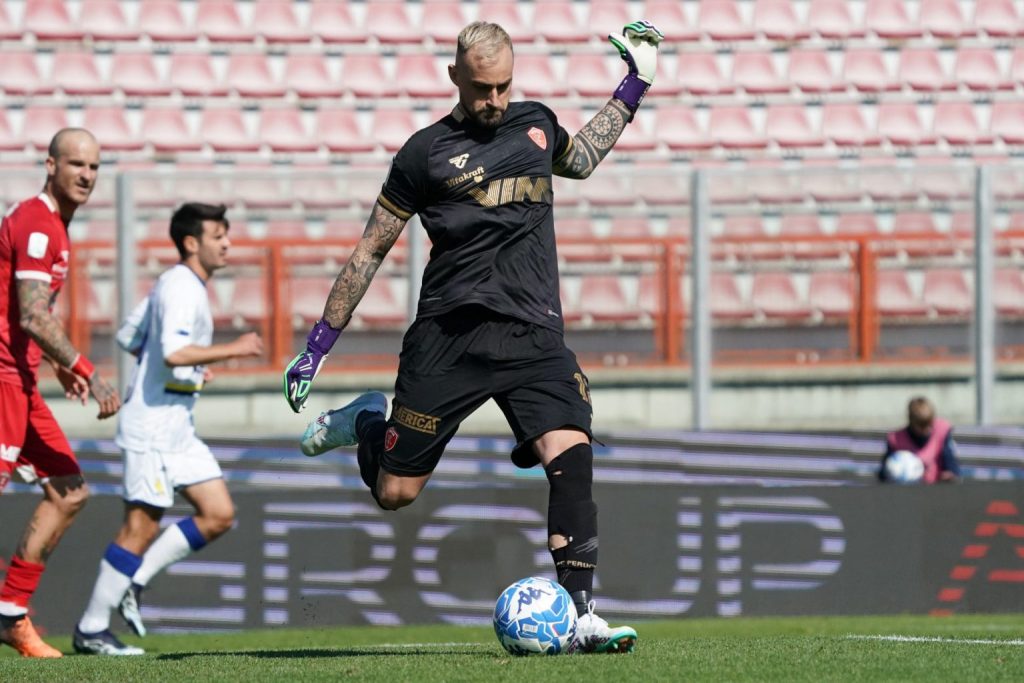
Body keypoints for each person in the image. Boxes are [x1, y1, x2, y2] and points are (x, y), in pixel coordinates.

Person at [283, 20, 662, 653]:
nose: (494, 100)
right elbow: (371, 249)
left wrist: (636, 83)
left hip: (532, 335)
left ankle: (582, 616)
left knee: (572, 458)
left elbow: (581, 160)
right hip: (448, 337)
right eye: (482, 88)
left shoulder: (535, 123)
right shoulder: (423, 154)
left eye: (504, 86)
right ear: (454, 76)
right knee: (395, 493)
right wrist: (319, 343)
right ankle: (367, 422)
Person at [73, 203, 264, 655]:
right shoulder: (182, 287)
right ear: (191, 242)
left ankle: (134, 581)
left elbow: (130, 336)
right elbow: (173, 351)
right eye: (218, 235)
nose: (227, 243)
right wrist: (231, 349)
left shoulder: (174, 283)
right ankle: (91, 628)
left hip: (177, 426)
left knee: (218, 513)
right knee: (140, 527)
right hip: (153, 428)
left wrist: (191, 371)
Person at [0, 129, 121, 658]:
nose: (87, 176)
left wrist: (54, 363)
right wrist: (85, 369)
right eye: (76, 164)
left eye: (94, 167)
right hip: (2, 379)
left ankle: (10, 615)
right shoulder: (36, 223)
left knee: (69, 490)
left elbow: (24, 314)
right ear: (50, 165)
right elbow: (32, 313)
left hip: (22, 381)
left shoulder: (56, 227)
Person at [878, 396, 961, 484]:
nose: (926, 429)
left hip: (936, 487)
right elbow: (884, 471)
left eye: (929, 425)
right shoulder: (896, 439)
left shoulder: (941, 431)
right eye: (921, 426)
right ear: (911, 422)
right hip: (905, 489)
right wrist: (890, 472)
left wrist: (950, 472)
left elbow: (949, 457)